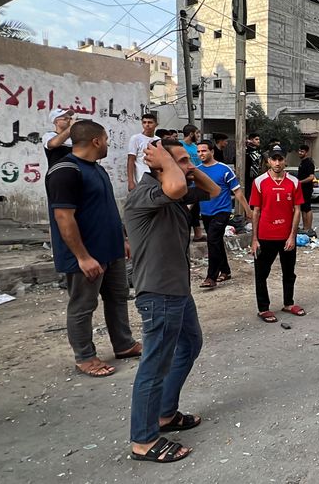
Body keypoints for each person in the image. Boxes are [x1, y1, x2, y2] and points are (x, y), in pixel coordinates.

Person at [125, 138, 219, 463]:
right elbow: (177, 186)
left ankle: (165, 414)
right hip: (159, 293)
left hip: (178, 291)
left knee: (190, 344)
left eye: (186, 159)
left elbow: (214, 191)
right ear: (158, 163)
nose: (187, 165)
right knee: (154, 365)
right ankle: (143, 439)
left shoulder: (173, 188)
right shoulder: (148, 192)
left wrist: (188, 165)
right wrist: (167, 160)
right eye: (179, 160)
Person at [46, 120, 140, 378]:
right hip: (86, 256)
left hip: (111, 250)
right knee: (83, 306)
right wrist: (82, 257)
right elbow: (64, 218)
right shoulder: (65, 170)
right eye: (106, 139)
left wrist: (122, 238)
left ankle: (124, 344)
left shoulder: (97, 170)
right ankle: (85, 357)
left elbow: (108, 207)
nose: (108, 144)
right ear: (96, 141)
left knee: (118, 297)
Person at [250, 145, 305, 322]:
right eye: (274, 159)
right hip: (265, 236)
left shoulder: (294, 182)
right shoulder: (259, 182)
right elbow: (256, 211)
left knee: (289, 272)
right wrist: (254, 239)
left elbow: (297, 210)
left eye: (280, 159)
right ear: (268, 161)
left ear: (285, 161)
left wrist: (292, 236)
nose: (277, 162)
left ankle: (288, 303)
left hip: (286, 236)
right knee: (262, 273)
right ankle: (263, 308)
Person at [196, 140, 252, 288]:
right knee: (217, 242)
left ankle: (211, 277)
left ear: (212, 151)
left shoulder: (224, 169)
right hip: (206, 213)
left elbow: (238, 192)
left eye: (204, 151)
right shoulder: (197, 171)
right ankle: (225, 271)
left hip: (222, 211)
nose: (201, 154)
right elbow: (194, 194)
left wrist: (248, 211)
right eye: (199, 151)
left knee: (212, 240)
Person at [180, 125, 204, 242]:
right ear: (191, 134)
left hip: (196, 181)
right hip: (185, 182)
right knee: (186, 209)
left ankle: (198, 234)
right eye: (197, 133)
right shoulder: (179, 146)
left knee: (196, 209)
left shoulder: (196, 147)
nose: (198, 136)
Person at [126, 112, 158, 190]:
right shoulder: (136, 138)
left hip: (156, 178)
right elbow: (131, 160)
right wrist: (130, 182)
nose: (147, 125)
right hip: (141, 178)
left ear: (156, 124)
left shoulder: (158, 140)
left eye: (150, 122)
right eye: (144, 122)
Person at [296, 144, 317, 236]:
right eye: (299, 151)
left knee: (307, 208)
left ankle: (309, 228)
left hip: (307, 189)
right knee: (303, 209)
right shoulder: (302, 163)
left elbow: (311, 177)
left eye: (302, 151)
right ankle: (305, 228)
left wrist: (300, 182)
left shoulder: (309, 163)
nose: (300, 153)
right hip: (301, 190)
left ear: (306, 152)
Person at [244, 132, 262, 197]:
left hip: (257, 175)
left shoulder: (259, 150)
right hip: (248, 177)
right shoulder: (245, 150)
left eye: (259, 139)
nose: (258, 141)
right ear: (251, 140)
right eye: (256, 139)